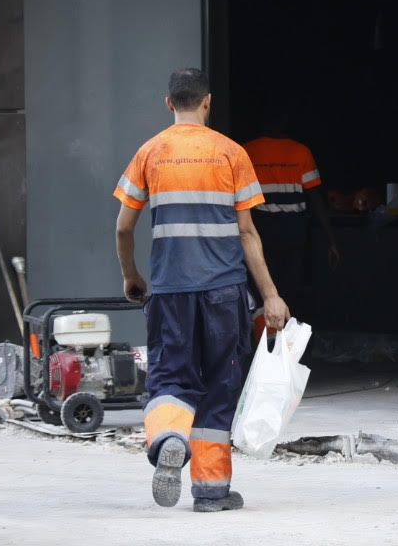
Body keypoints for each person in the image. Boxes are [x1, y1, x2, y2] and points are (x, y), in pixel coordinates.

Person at [113, 68, 290, 513]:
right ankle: (211, 492)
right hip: (223, 292)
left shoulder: (149, 152)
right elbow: (248, 233)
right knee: (219, 383)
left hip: (171, 290)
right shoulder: (232, 153)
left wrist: (131, 275)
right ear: (207, 102)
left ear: (168, 102)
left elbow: (123, 226)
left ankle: (169, 437)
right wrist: (270, 294)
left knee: (170, 377)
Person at [242, 108, 340, 326]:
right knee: (290, 288)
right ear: (284, 121)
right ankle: (286, 340)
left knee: (261, 290)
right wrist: (331, 239)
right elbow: (315, 198)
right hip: (292, 231)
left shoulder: (247, 151)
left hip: (260, 230)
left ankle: (264, 343)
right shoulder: (300, 152)